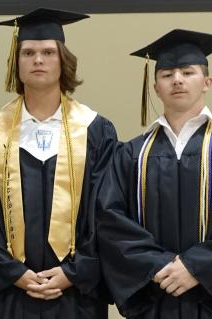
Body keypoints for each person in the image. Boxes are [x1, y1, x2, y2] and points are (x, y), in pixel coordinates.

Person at [0, 8, 117, 319]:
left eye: (48, 52)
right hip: (9, 295)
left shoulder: (96, 131)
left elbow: (106, 212)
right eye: (29, 52)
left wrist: (74, 273)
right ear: (16, 64)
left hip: (76, 296)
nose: (38, 60)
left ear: (63, 61)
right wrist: (12, 273)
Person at [98, 29, 212, 318]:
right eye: (167, 74)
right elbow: (110, 220)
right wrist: (158, 265)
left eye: (187, 72)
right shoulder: (131, 154)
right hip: (155, 296)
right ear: (155, 87)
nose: (177, 80)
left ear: (207, 82)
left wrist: (197, 267)